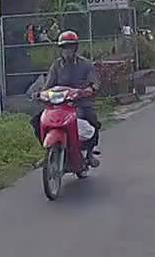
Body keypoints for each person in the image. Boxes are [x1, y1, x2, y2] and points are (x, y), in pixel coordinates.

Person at [30, 30, 102, 166]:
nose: (67, 50)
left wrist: (88, 90)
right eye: (64, 47)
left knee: (92, 120)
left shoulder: (86, 64)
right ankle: (48, 151)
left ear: (75, 48)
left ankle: (89, 153)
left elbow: (94, 84)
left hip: (80, 103)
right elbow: (48, 85)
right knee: (37, 121)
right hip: (58, 104)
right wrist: (40, 94)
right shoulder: (56, 65)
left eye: (70, 47)